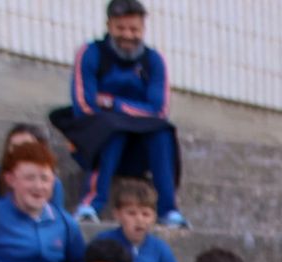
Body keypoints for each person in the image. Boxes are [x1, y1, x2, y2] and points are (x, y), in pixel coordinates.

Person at [56, 0, 186, 228]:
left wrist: (111, 103)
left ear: (143, 29)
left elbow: (159, 112)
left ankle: (169, 210)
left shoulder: (153, 61)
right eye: (121, 28)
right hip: (97, 144)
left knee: (162, 132)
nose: (128, 35)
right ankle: (90, 204)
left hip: (138, 149)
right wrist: (128, 115)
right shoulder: (90, 53)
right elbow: (84, 106)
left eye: (134, 29)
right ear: (109, 26)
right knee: (111, 127)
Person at [95, 177, 188, 262]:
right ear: (117, 215)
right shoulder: (103, 242)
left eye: (146, 214)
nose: (139, 220)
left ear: (154, 217)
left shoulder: (159, 249)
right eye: (131, 213)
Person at [0, 124, 67, 210]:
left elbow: (56, 219)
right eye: (14, 147)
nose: (18, 152)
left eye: (26, 147)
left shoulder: (53, 183)